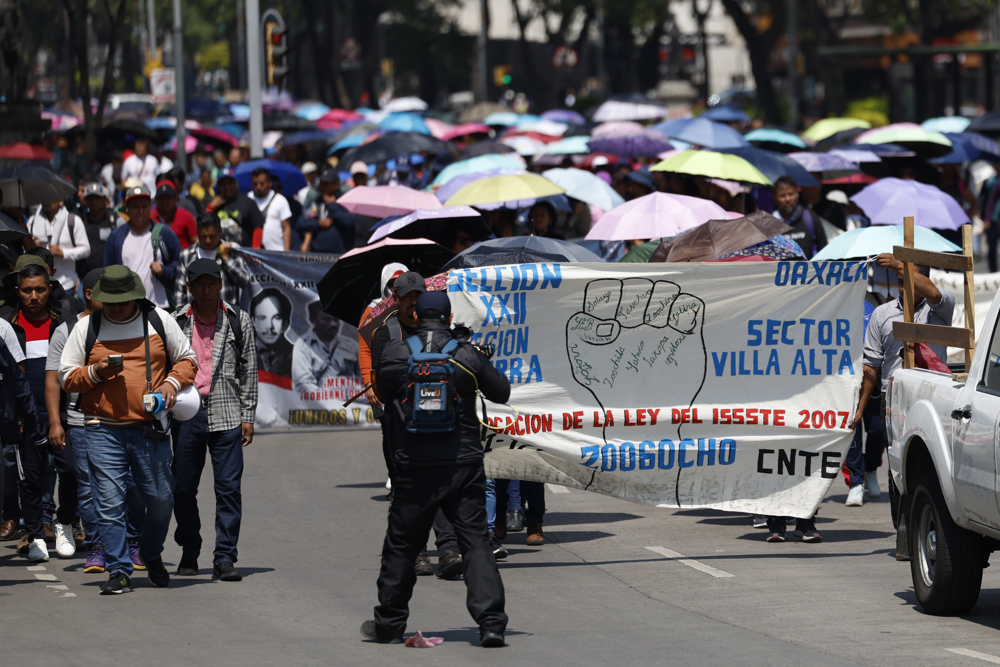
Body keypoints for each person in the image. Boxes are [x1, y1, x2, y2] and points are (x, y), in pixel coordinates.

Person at [364, 290, 511, 647]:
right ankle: (490, 624)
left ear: (416, 316)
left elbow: (383, 391)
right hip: (461, 465)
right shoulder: (464, 354)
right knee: (475, 542)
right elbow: (502, 392)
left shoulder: (397, 353)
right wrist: (479, 363)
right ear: (447, 318)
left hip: (414, 466)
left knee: (401, 544)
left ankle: (389, 624)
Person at [59, 265, 197, 595]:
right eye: (111, 301)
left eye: (123, 300)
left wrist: (170, 385)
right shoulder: (86, 328)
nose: (117, 306)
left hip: (149, 430)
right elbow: (66, 378)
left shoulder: (158, 321)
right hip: (102, 431)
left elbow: (188, 360)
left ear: (136, 295)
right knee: (108, 504)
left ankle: (150, 553)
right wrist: (96, 371)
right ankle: (119, 569)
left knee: (162, 499)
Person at [172, 259, 258, 581]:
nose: (206, 290)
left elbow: (250, 369)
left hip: (227, 413)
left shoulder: (239, 320)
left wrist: (248, 415)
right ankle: (189, 549)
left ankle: (224, 557)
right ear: (191, 287)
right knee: (181, 490)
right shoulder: (176, 321)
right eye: (200, 284)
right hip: (186, 414)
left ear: (220, 285)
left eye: (212, 284)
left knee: (228, 490)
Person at [2, 259, 75, 562]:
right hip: (25, 416)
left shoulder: (63, 324)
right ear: (18, 291)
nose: (34, 296)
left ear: (50, 289)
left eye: (41, 290)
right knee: (29, 479)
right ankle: (34, 535)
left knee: (71, 471)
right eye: (28, 290)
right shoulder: (8, 325)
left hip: (62, 414)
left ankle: (66, 524)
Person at [46, 268, 106, 572]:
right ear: (90, 294)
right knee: (81, 480)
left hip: (117, 421)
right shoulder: (66, 330)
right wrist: (56, 422)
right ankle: (87, 537)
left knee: (118, 485)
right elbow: (54, 380)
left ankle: (121, 542)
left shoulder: (123, 324)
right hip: (78, 420)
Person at [105, 184, 182, 310]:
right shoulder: (116, 237)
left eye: (144, 206)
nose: (140, 211)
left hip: (160, 307)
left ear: (151, 207)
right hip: (127, 309)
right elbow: (108, 272)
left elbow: (180, 265)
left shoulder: (164, 233)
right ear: (127, 208)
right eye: (136, 207)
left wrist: (164, 270)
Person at [174, 212, 250, 308]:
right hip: (194, 321)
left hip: (226, 319)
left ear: (220, 232)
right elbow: (180, 293)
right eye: (203, 236)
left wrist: (226, 259)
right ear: (197, 232)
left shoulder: (232, 252)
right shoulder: (186, 256)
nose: (207, 240)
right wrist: (182, 318)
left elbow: (244, 281)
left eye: (212, 236)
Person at [292, 300, 359, 393]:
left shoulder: (351, 346)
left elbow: (366, 380)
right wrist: (330, 398)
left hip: (350, 405)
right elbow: (303, 384)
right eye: (326, 319)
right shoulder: (303, 346)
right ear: (312, 320)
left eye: (336, 319)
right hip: (318, 405)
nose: (333, 324)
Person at [25, 199, 90, 292]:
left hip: (66, 284)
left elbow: (86, 250)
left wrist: (63, 253)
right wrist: (32, 246)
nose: (46, 201)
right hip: (39, 285)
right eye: (44, 197)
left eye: (51, 197)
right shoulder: (33, 221)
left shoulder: (73, 220)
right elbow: (24, 251)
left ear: (60, 201)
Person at [299, 168, 356, 253]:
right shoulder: (316, 202)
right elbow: (300, 223)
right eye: (321, 183)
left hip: (339, 254)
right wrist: (318, 223)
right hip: (317, 254)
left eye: (326, 184)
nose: (322, 187)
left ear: (336, 185)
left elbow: (350, 221)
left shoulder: (345, 201)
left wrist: (333, 207)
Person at [206, 169, 264, 248]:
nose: (227, 187)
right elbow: (205, 227)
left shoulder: (247, 202)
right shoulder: (213, 205)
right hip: (220, 253)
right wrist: (211, 207)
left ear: (235, 184)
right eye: (223, 184)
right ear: (218, 185)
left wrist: (255, 251)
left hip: (244, 253)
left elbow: (258, 227)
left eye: (230, 183)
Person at [774, 176, 828, 258]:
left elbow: (824, 250)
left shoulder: (810, 219)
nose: (788, 199)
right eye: (782, 196)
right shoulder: (769, 224)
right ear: (774, 198)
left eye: (791, 194)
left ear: (797, 195)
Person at [79, 183, 125, 279]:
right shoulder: (80, 221)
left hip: (111, 278)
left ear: (106, 201)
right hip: (86, 279)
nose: (94, 201)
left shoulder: (117, 221)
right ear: (86, 201)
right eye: (90, 198)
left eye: (98, 198)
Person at [249, 287, 294, 380]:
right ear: (253, 321)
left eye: (276, 318)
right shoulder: (240, 352)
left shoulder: (297, 355)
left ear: (285, 323)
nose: (269, 326)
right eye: (262, 318)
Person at [251, 168, 293, 252]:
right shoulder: (249, 199)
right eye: (255, 184)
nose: (258, 187)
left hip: (276, 251)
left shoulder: (280, 200)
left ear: (269, 183)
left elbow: (286, 228)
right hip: (253, 252)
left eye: (262, 183)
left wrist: (286, 252)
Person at [151, 180, 198, 250]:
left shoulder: (186, 216)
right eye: (161, 198)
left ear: (175, 198)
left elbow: (195, 241)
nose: (164, 202)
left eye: (168, 198)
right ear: (156, 199)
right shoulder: (149, 216)